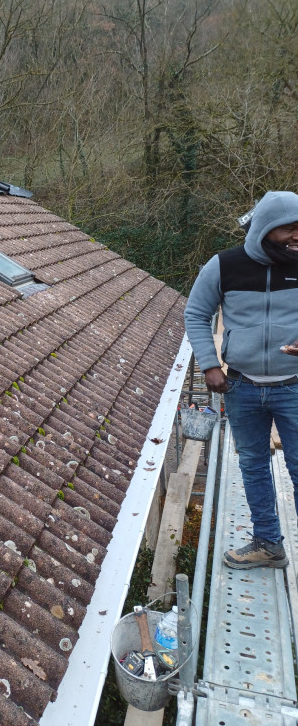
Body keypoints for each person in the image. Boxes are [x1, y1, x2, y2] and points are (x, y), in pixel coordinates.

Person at [185, 190, 298, 569]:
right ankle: (268, 544)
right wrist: (209, 365)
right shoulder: (224, 265)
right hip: (241, 387)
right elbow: (196, 314)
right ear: (266, 228)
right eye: (290, 229)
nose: (297, 236)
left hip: (294, 386)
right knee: (252, 465)